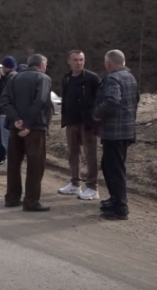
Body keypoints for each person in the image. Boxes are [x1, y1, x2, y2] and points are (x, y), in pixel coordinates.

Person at [0, 54, 52, 212]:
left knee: (14, 162)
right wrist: (27, 124)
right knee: (35, 164)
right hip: (35, 127)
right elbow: (40, 101)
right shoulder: (43, 78)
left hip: (16, 126)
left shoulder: (14, 78)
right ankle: (31, 201)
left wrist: (16, 119)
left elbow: (4, 101)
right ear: (42, 64)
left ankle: (12, 197)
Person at [93, 50, 139, 221]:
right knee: (108, 165)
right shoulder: (130, 77)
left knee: (115, 169)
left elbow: (112, 100)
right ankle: (114, 199)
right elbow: (136, 99)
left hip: (114, 132)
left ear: (109, 63)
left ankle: (120, 207)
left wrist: (98, 113)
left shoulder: (113, 78)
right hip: (126, 130)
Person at [57, 50, 101, 200]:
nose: (79, 62)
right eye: (75, 60)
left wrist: (95, 117)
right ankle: (75, 183)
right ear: (69, 61)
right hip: (71, 121)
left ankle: (92, 187)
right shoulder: (66, 78)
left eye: (81, 59)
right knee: (73, 154)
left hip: (87, 123)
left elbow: (100, 98)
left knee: (90, 155)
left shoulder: (92, 78)